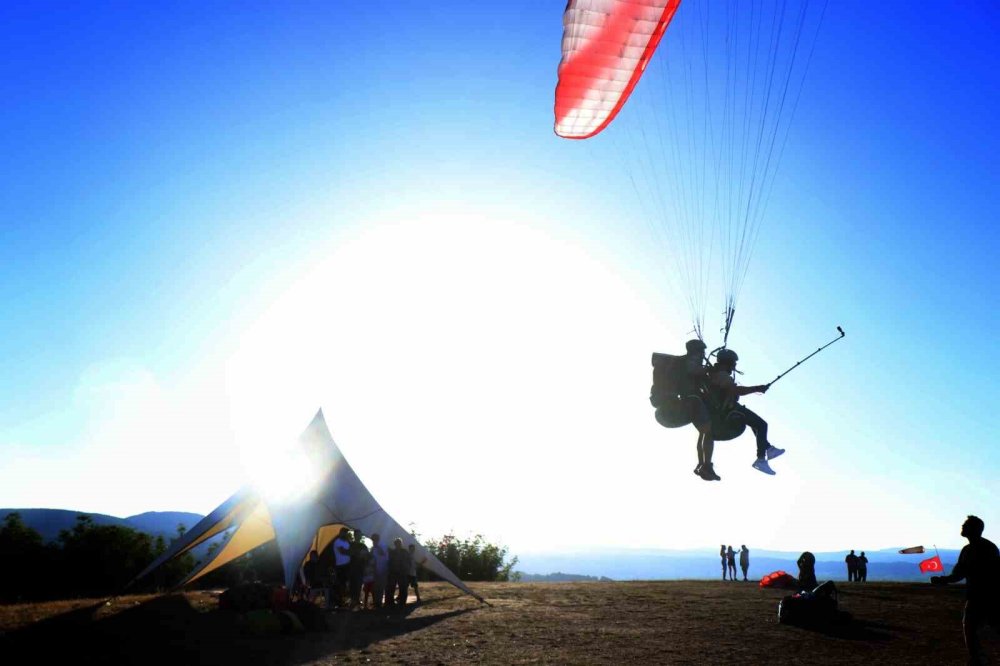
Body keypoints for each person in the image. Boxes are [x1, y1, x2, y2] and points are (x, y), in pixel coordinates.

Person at [931, 515, 1000, 664]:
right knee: (971, 628)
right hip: (979, 597)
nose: (962, 526)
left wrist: (945, 580)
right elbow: (959, 573)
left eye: (966, 525)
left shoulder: (985, 549)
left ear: (974, 529)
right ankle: (977, 660)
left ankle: (977, 659)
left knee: (972, 628)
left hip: (987, 597)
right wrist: (943, 580)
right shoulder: (971, 549)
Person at [705, 349, 785, 476]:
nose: (735, 366)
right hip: (729, 410)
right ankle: (761, 458)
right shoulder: (722, 375)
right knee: (761, 425)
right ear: (728, 362)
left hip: (728, 409)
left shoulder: (715, 374)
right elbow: (736, 390)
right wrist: (757, 388)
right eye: (733, 363)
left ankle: (768, 449)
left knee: (757, 424)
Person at [651, 339, 719, 481]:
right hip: (684, 404)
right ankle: (706, 465)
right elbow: (693, 370)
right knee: (708, 431)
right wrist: (709, 370)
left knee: (704, 432)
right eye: (702, 352)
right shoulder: (689, 361)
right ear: (697, 351)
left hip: (676, 407)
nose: (703, 355)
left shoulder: (682, 363)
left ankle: (703, 464)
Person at [385, 538, 412, 607]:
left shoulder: (405, 552)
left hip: (402, 572)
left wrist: (407, 569)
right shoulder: (392, 552)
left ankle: (402, 602)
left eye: (399, 543)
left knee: (403, 588)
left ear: (401, 544)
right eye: (397, 543)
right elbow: (389, 562)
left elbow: (409, 561)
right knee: (391, 588)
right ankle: (390, 602)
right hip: (393, 572)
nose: (398, 544)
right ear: (395, 544)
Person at [348, 530, 370, 609]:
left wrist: (363, 556)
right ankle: (353, 601)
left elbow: (367, 556)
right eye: (357, 535)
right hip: (352, 568)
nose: (358, 536)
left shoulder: (363, 545)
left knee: (358, 585)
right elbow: (349, 554)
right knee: (352, 586)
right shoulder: (351, 545)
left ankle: (356, 601)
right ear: (354, 535)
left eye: (359, 535)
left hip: (360, 569)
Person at [332, 527, 352, 607]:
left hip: (347, 565)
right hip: (340, 566)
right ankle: (339, 602)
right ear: (340, 533)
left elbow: (349, 551)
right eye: (344, 532)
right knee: (341, 584)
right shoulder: (337, 541)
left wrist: (351, 552)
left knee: (346, 584)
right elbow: (342, 551)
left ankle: (344, 601)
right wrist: (352, 552)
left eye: (346, 532)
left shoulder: (347, 542)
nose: (345, 534)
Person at [370, 532, 389, 609]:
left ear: (377, 539)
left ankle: (379, 603)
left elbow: (383, 554)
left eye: (374, 540)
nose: (373, 541)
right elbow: (373, 558)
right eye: (372, 540)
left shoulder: (383, 545)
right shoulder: (373, 548)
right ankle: (376, 603)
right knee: (376, 587)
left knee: (381, 588)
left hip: (383, 569)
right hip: (376, 570)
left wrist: (377, 546)